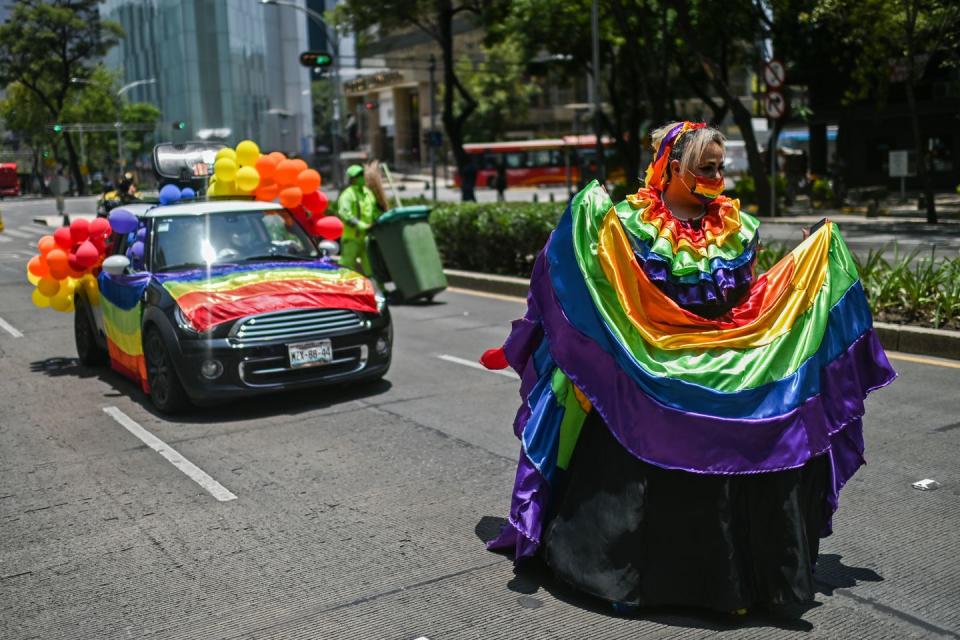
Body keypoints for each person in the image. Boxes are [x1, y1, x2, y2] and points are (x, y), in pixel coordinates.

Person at [483, 121, 896, 616]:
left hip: (721, 365)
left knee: (761, 426)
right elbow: (611, 293)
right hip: (652, 369)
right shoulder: (633, 225)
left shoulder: (735, 226)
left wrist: (801, 274)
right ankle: (636, 576)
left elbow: (745, 301)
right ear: (673, 167)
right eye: (706, 167)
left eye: (721, 167)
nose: (717, 177)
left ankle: (744, 582)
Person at [336, 164, 382, 276]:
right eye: (359, 175)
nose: (362, 177)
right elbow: (344, 213)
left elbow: (374, 211)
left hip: (366, 238)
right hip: (352, 239)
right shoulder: (348, 194)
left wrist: (379, 219)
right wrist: (360, 225)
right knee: (346, 267)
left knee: (370, 267)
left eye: (362, 174)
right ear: (353, 179)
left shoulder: (368, 193)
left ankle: (376, 290)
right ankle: (341, 290)